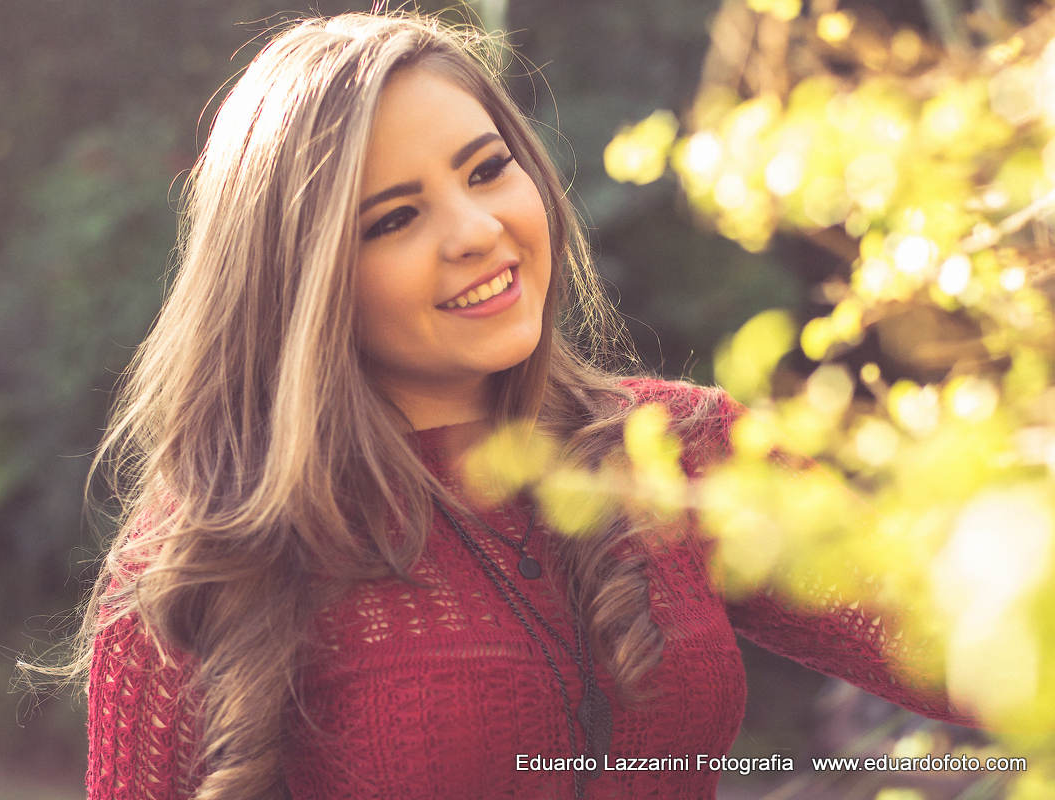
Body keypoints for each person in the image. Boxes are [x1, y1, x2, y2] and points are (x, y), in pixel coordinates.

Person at [75, 11, 972, 800]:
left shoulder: (683, 450)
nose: (475, 231)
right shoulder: (206, 560)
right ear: (301, 284)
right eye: (393, 219)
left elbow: (977, 647)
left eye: (487, 169)